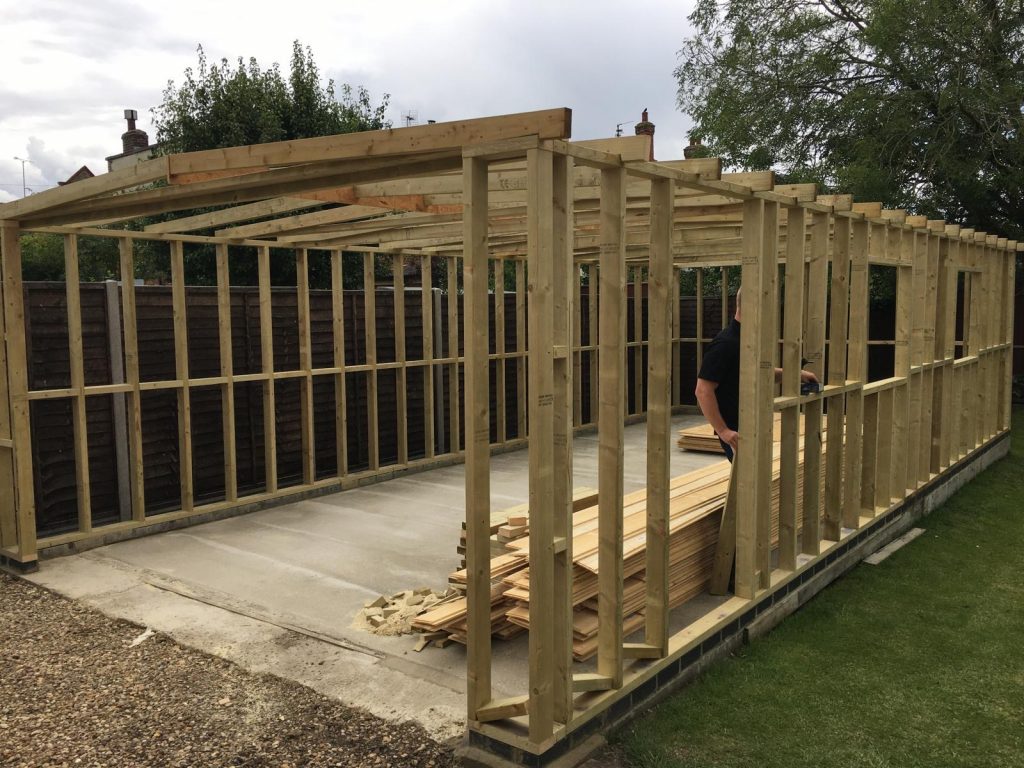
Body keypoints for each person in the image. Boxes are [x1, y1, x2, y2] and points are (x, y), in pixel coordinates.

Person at [694, 287, 818, 462]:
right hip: (736, 431)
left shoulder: (748, 340)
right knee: (748, 483)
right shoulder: (725, 344)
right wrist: (723, 431)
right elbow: (703, 390)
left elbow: (760, 374)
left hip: (753, 424)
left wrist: (796, 374)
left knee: (752, 484)